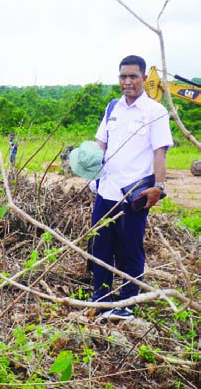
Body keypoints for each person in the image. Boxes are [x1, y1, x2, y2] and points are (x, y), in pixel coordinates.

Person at [90, 55, 172, 321]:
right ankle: (100, 299)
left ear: (144, 80)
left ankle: (126, 303)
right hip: (106, 192)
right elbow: (101, 144)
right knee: (100, 248)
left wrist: (158, 186)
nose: (127, 82)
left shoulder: (154, 112)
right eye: (123, 77)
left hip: (133, 195)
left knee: (130, 250)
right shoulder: (112, 108)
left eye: (133, 77)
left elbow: (160, 152)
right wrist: (90, 170)